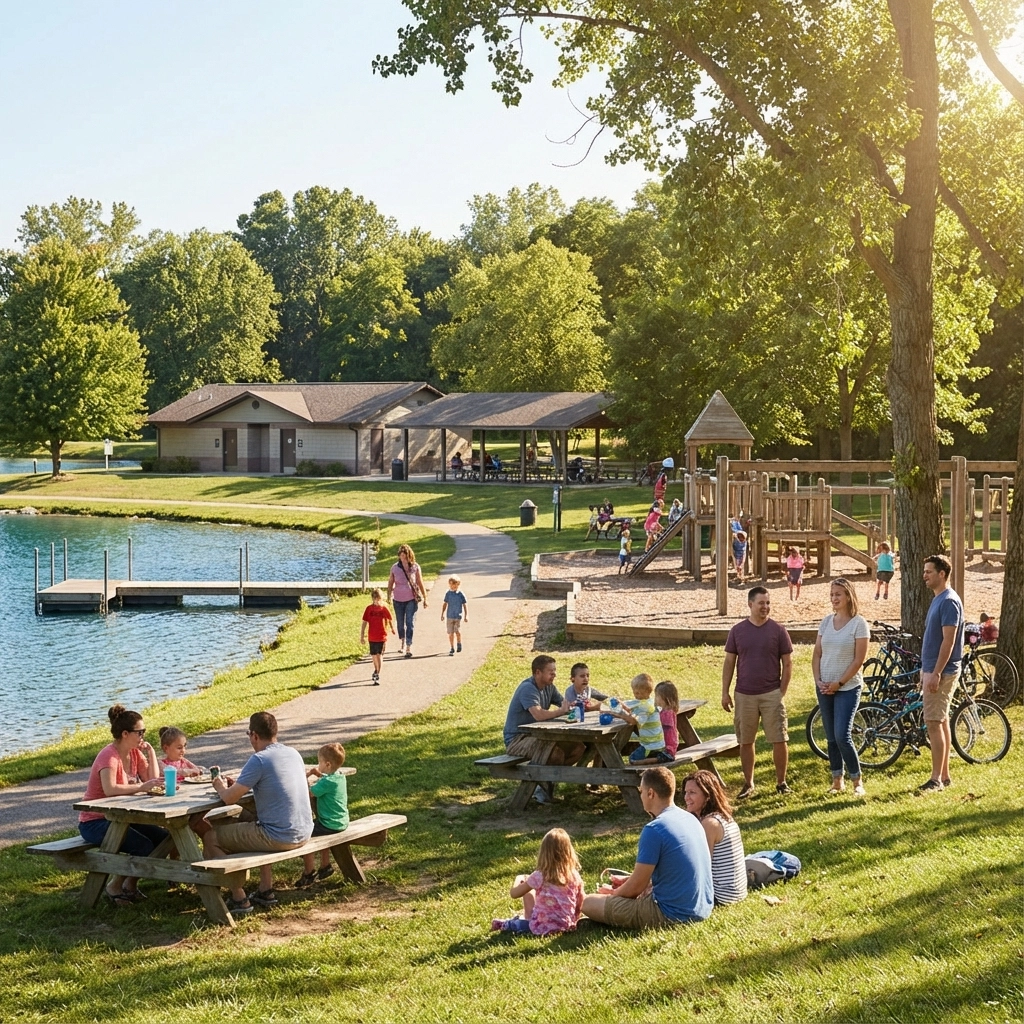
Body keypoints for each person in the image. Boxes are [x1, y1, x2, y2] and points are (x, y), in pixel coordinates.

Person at [206, 712, 314, 914]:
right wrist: (239, 785)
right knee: (248, 817)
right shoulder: (293, 753)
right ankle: (266, 889)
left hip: (279, 836)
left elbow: (229, 799)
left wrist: (219, 786)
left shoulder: (259, 759)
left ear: (254, 735)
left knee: (211, 837)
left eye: (249, 734)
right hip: (304, 831)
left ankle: (239, 898)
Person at [582, 766, 713, 929]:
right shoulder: (690, 819)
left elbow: (635, 888)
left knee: (587, 902)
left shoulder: (654, 829)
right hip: (702, 908)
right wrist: (629, 882)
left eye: (641, 791)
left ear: (651, 793)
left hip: (672, 914)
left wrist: (614, 895)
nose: (641, 796)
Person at [77, 705, 167, 906]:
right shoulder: (108, 756)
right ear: (125, 734)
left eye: (144, 732)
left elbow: (152, 780)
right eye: (140, 732)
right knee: (142, 845)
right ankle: (115, 885)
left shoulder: (135, 753)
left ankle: (130, 884)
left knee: (163, 839)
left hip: (122, 817)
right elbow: (110, 789)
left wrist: (151, 752)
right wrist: (141, 787)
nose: (143, 735)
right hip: (95, 821)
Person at [722, 586, 794, 798]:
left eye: (768, 603)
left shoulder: (778, 630)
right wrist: (725, 692)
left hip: (771, 693)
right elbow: (729, 662)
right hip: (744, 694)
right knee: (746, 740)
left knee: (779, 738)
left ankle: (781, 782)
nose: (765, 607)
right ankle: (748, 783)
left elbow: (787, 663)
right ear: (750, 604)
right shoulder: (737, 631)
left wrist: (781, 691)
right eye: (761, 603)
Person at [812, 579, 870, 795]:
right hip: (824, 687)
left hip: (847, 687)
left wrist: (839, 683)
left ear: (848, 597)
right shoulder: (826, 622)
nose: (834, 598)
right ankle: (837, 780)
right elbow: (817, 653)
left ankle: (857, 781)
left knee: (842, 735)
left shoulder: (859, 624)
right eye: (832, 594)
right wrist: (819, 680)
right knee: (830, 737)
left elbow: (858, 660)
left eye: (838, 594)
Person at [503, 655, 581, 803]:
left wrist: (578, 705)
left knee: (578, 748)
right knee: (554, 753)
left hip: (537, 736)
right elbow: (538, 714)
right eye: (550, 672)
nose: (554, 675)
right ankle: (540, 787)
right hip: (517, 739)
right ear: (538, 673)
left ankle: (543, 784)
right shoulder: (528, 688)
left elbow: (565, 703)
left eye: (554, 671)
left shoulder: (549, 687)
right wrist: (561, 711)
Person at [919, 555, 965, 792]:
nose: (924, 575)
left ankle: (936, 778)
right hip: (932, 669)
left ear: (942, 574)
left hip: (942, 671)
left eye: (929, 571)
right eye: (924, 571)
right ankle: (944, 775)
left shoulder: (948, 602)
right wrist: (924, 669)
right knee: (941, 721)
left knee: (933, 722)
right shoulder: (938, 599)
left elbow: (949, 641)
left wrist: (935, 672)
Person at [491, 828, 585, 935]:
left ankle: (507, 924)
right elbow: (581, 900)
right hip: (566, 925)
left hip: (542, 927)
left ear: (543, 853)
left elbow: (514, 894)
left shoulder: (540, 875)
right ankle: (523, 919)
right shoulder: (574, 875)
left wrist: (519, 878)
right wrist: (575, 918)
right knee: (531, 891)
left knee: (521, 923)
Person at [682, 770, 747, 905]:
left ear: (707, 796)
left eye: (692, 793)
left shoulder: (710, 824)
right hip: (736, 892)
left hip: (722, 896)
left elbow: (700, 866)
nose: (686, 797)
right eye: (686, 792)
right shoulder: (722, 816)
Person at [295, 743, 349, 888]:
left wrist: (305, 777)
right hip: (340, 821)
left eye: (319, 763)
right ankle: (325, 865)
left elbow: (308, 794)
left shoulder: (327, 781)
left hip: (329, 823)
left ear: (327, 764)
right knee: (317, 827)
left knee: (305, 833)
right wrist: (318, 773)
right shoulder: (338, 777)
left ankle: (309, 871)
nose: (318, 765)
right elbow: (326, 780)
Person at [611, 673, 668, 764]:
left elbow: (633, 721)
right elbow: (631, 711)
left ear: (647, 691)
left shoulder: (645, 707)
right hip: (659, 743)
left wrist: (620, 714)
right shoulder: (651, 701)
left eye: (637, 693)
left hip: (650, 746)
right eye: (634, 692)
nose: (635, 695)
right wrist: (621, 705)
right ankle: (655, 758)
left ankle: (652, 760)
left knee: (632, 759)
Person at [387, 543, 428, 659]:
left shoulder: (415, 567)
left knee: (410, 623)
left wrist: (425, 598)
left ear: (409, 555)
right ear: (399, 556)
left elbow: (420, 582)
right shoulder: (395, 568)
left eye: (405, 555)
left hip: (411, 599)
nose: (403, 558)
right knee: (400, 624)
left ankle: (408, 646)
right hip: (398, 600)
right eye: (401, 555)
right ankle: (403, 642)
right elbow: (390, 582)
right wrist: (388, 595)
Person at [361, 588, 394, 684]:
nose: (376, 601)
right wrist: (362, 635)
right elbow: (364, 622)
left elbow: (390, 618)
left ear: (381, 598)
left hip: (381, 636)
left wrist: (392, 628)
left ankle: (377, 673)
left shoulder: (384, 608)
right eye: (374, 598)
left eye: (378, 598)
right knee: (373, 655)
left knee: (379, 655)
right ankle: (376, 669)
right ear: (372, 598)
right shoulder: (369, 609)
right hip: (372, 636)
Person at [441, 574, 468, 656]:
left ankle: (459, 642)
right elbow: (445, 604)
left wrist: (466, 615)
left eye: (455, 585)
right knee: (450, 633)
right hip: (449, 616)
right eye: (451, 585)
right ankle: (452, 647)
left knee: (457, 631)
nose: (453, 587)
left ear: (458, 584)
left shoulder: (460, 594)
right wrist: (442, 613)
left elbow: (464, 604)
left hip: (457, 616)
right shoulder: (448, 594)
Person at [654, 681, 680, 759]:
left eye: (657, 696)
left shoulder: (668, 713)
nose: (655, 699)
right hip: (663, 745)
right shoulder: (664, 711)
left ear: (665, 698)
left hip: (668, 747)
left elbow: (659, 722)